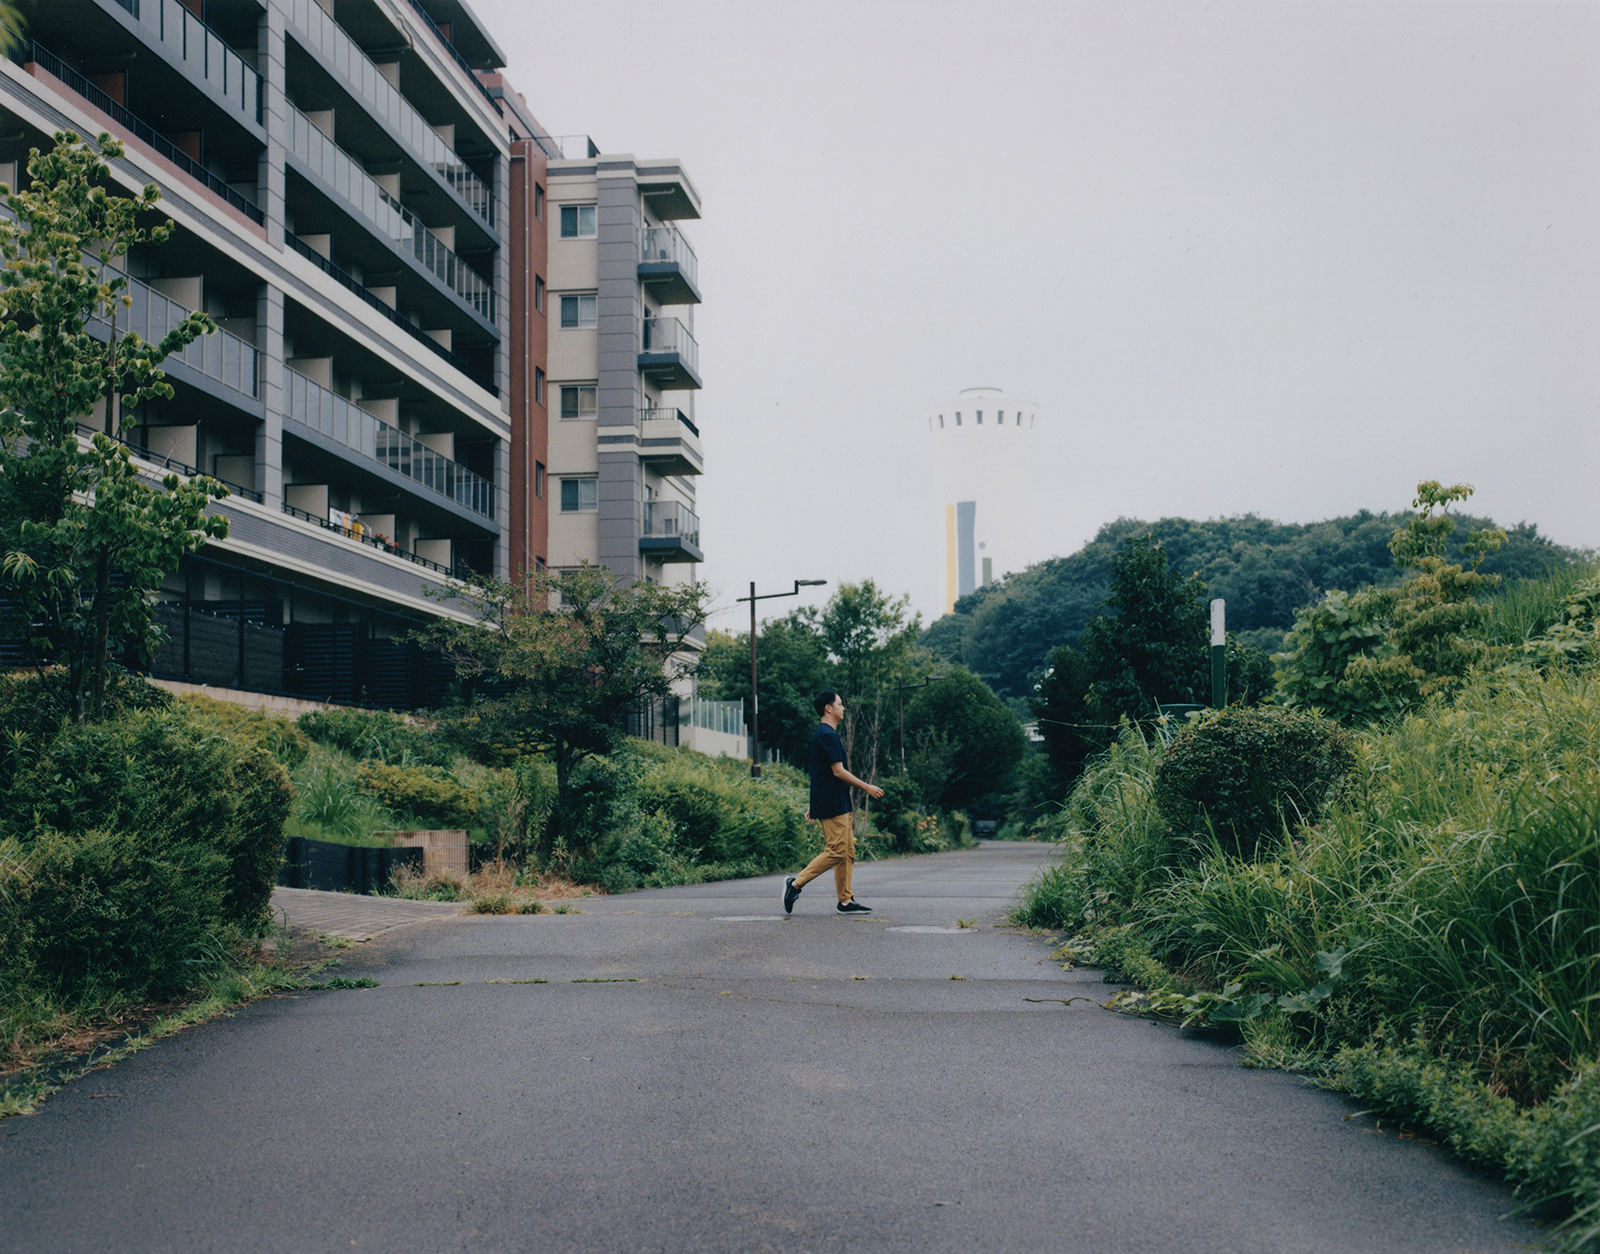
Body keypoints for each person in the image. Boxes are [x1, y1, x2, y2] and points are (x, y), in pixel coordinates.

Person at [783, 690, 884, 915]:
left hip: (836, 800)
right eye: (840, 704)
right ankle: (796, 884)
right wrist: (866, 787)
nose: (843, 708)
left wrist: (815, 803)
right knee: (837, 850)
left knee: (847, 851)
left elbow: (820, 773)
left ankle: (845, 901)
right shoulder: (827, 734)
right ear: (828, 708)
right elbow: (837, 771)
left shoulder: (827, 734)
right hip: (833, 803)